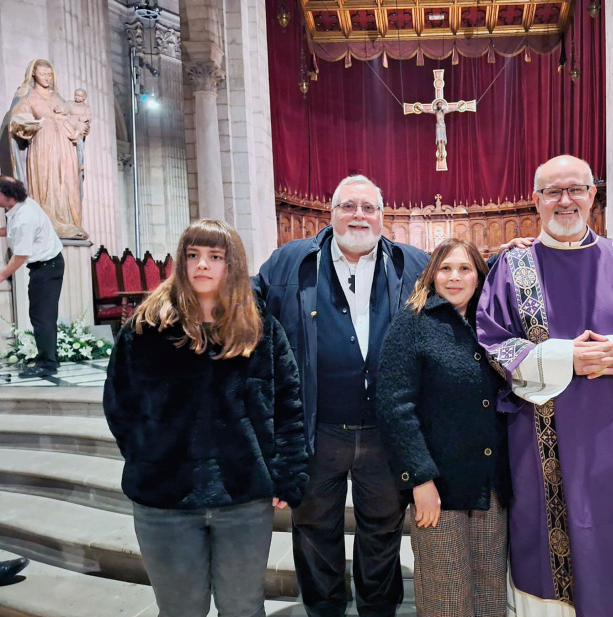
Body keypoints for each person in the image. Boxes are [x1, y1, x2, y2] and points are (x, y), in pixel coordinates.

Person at [476, 155, 613, 617]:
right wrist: (565, 358)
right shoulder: (513, 267)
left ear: (593, 194)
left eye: (575, 189)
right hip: (538, 438)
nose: (565, 200)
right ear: (536, 200)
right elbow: (492, 339)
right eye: (553, 191)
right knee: (543, 538)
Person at [103, 219, 307, 617]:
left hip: (243, 495)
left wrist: (287, 474)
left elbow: (288, 406)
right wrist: (152, 457)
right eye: (193, 255)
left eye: (215, 256)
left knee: (243, 608)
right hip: (166, 498)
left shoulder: (260, 330)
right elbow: (119, 403)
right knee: (180, 610)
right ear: (181, 261)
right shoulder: (146, 329)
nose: (202, 265)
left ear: (232, 265)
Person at [257, 175, 429, 617]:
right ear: (330, 213)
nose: (358, 216)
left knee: (383, 532)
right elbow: (247, 311)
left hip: (386, 432)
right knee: (314, 531)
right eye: (348, 206)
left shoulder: (412, 264)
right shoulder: (290, 262)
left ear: (382, 216)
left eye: (368, 208)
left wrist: (507, 259)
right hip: (318, 430)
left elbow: (464, 287)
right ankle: (324, 609)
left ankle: (378, 610)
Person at [376, 238, 511, 617]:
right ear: (432, 274)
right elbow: (394, 406)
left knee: (489, 596)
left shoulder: (491, 322)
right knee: (446, 600)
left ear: (478, 276)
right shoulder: (413, 321)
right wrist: (420, 480)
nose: (454, 277)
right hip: (439, 489)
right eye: (446, 268)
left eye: (465, 269)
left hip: (489, 488)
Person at [9, 59, 87, 239]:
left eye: (50, 75)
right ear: (33, 73)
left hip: (66, 146)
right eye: (43, 74)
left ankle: (70, 222)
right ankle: (49, 223)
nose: (47, 78)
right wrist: (32, 123)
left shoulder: (58, 98)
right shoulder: (28, 96)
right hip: (43, 145)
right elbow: (16, 121)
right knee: (47, 183)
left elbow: (73, 117)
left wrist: (80, 128)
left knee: (67, 184)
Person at [0, 175, 64, 378]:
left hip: (46, 267)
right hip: (47, 266)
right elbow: (12, 231)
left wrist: (1, 275)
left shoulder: (24, 218)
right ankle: (50, 358)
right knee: (43, 315)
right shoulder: (23, 205)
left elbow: (20, 256)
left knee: (42, 316)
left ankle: (47, 364)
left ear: (8, 196)